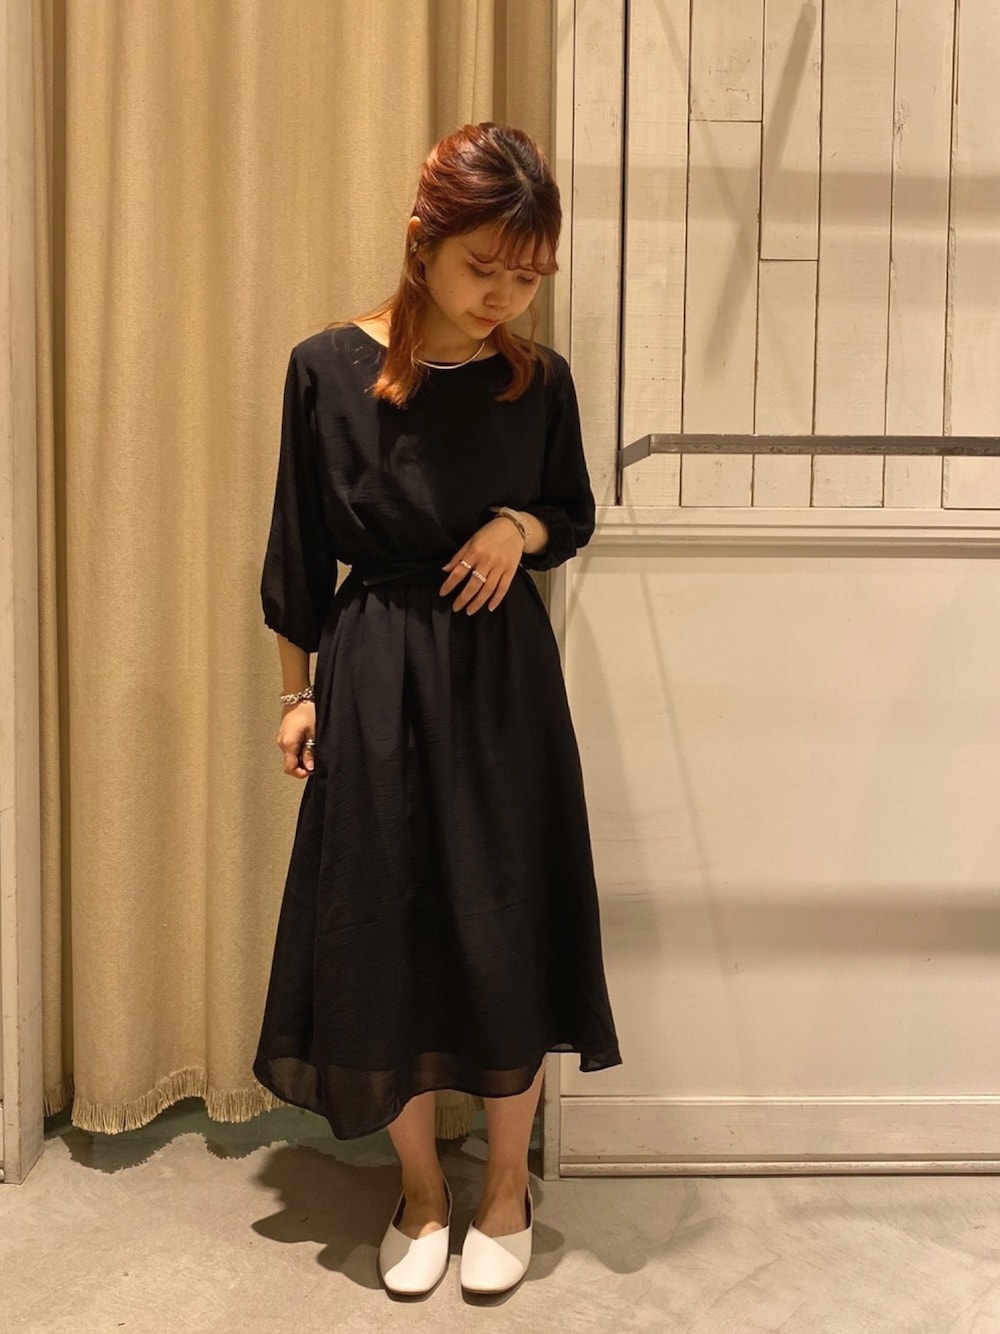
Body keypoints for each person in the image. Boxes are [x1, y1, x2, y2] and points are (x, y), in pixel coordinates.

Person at [253, 121, 622, 1299]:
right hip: (372, 674)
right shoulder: (324, 368)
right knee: (383, 922)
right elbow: (297, 548)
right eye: (483, 268)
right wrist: (296, 692)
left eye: (528, 275)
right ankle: (419, 1188)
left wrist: (517, 525)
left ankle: (505, 1183)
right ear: (422, 244)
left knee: (507, 918)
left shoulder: (537, 380)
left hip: (502, 683)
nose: (503, 296)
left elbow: (570, 509)